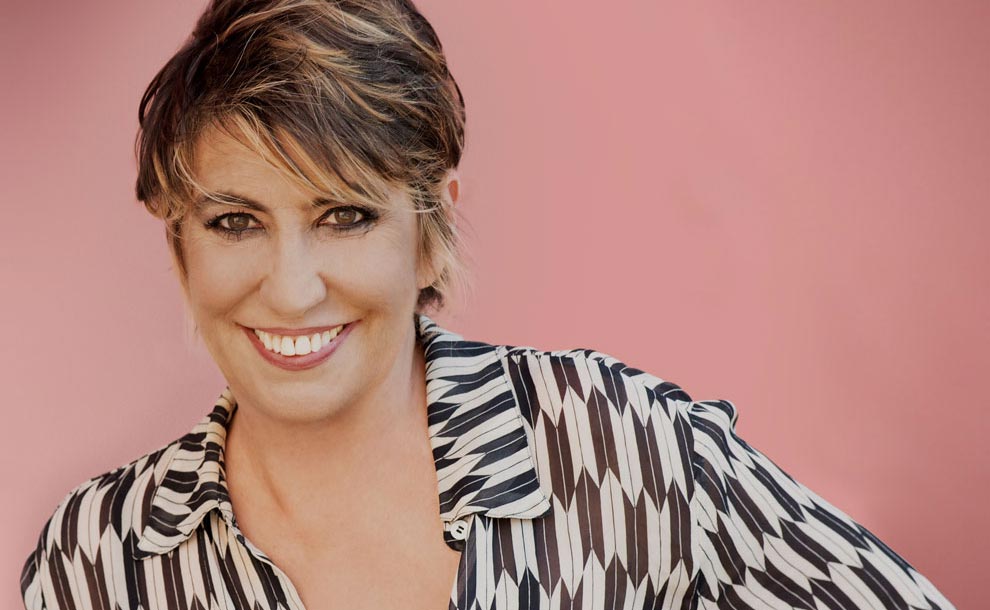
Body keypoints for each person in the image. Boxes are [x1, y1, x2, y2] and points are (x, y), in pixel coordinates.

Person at [20, 1, 957, 609]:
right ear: (179, 246)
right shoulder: (98, 558)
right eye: (235, 221)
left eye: (345, 216)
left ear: (430, 232)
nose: (293, 287)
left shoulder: (618, 450)